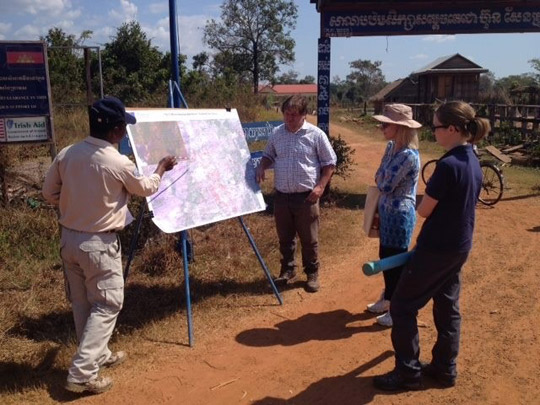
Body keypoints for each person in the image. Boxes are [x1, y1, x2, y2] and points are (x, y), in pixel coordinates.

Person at [42, 96, 177, 395]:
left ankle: (97, 354)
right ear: (116, 131)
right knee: (108, 304)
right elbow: (144, 188)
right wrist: (161, 168)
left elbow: (49, 193)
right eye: (123, 128)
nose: (124, 133)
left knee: (83, 304)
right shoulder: (117, 161)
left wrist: (74, 203)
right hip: (98, 244)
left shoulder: (67, 153)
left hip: (69, 239)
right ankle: (82, 374)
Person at [373, 101, 490, 391]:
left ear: (452, 129)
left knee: (401, 307)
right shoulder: (473, 160)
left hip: (436, 248)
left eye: (437, 127)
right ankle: (444, 368)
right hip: (458, 246)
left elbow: (423, 211)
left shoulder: (448, 166)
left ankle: (408, 372)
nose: (434, 132)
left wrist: (425, 200)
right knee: (447, 308)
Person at [256, 95, 337, 293]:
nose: (289, 118)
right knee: (285, 237)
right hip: (282, 196)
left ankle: (311, 273)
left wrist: (320, 187)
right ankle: (287, 270)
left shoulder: (316, 135)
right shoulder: (277, 133)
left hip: (306, 197)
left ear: (303, 115)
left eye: (294, 115)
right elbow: (268, 155)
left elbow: (329, 163)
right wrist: (262, 166)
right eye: (286, 114)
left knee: (309, 238)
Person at [367, 104, 421, 327]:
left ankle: (396, 306)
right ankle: (388, 298)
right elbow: (378, 175)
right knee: (385, 257)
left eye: (385, 124)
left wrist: (382, 178)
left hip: (399, 215)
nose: (381, 127)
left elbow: (385, 183)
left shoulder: (408, 155)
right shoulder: (392, 148)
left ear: (399, 127)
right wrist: (381, 178)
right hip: (388, 212)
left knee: (396, 261)